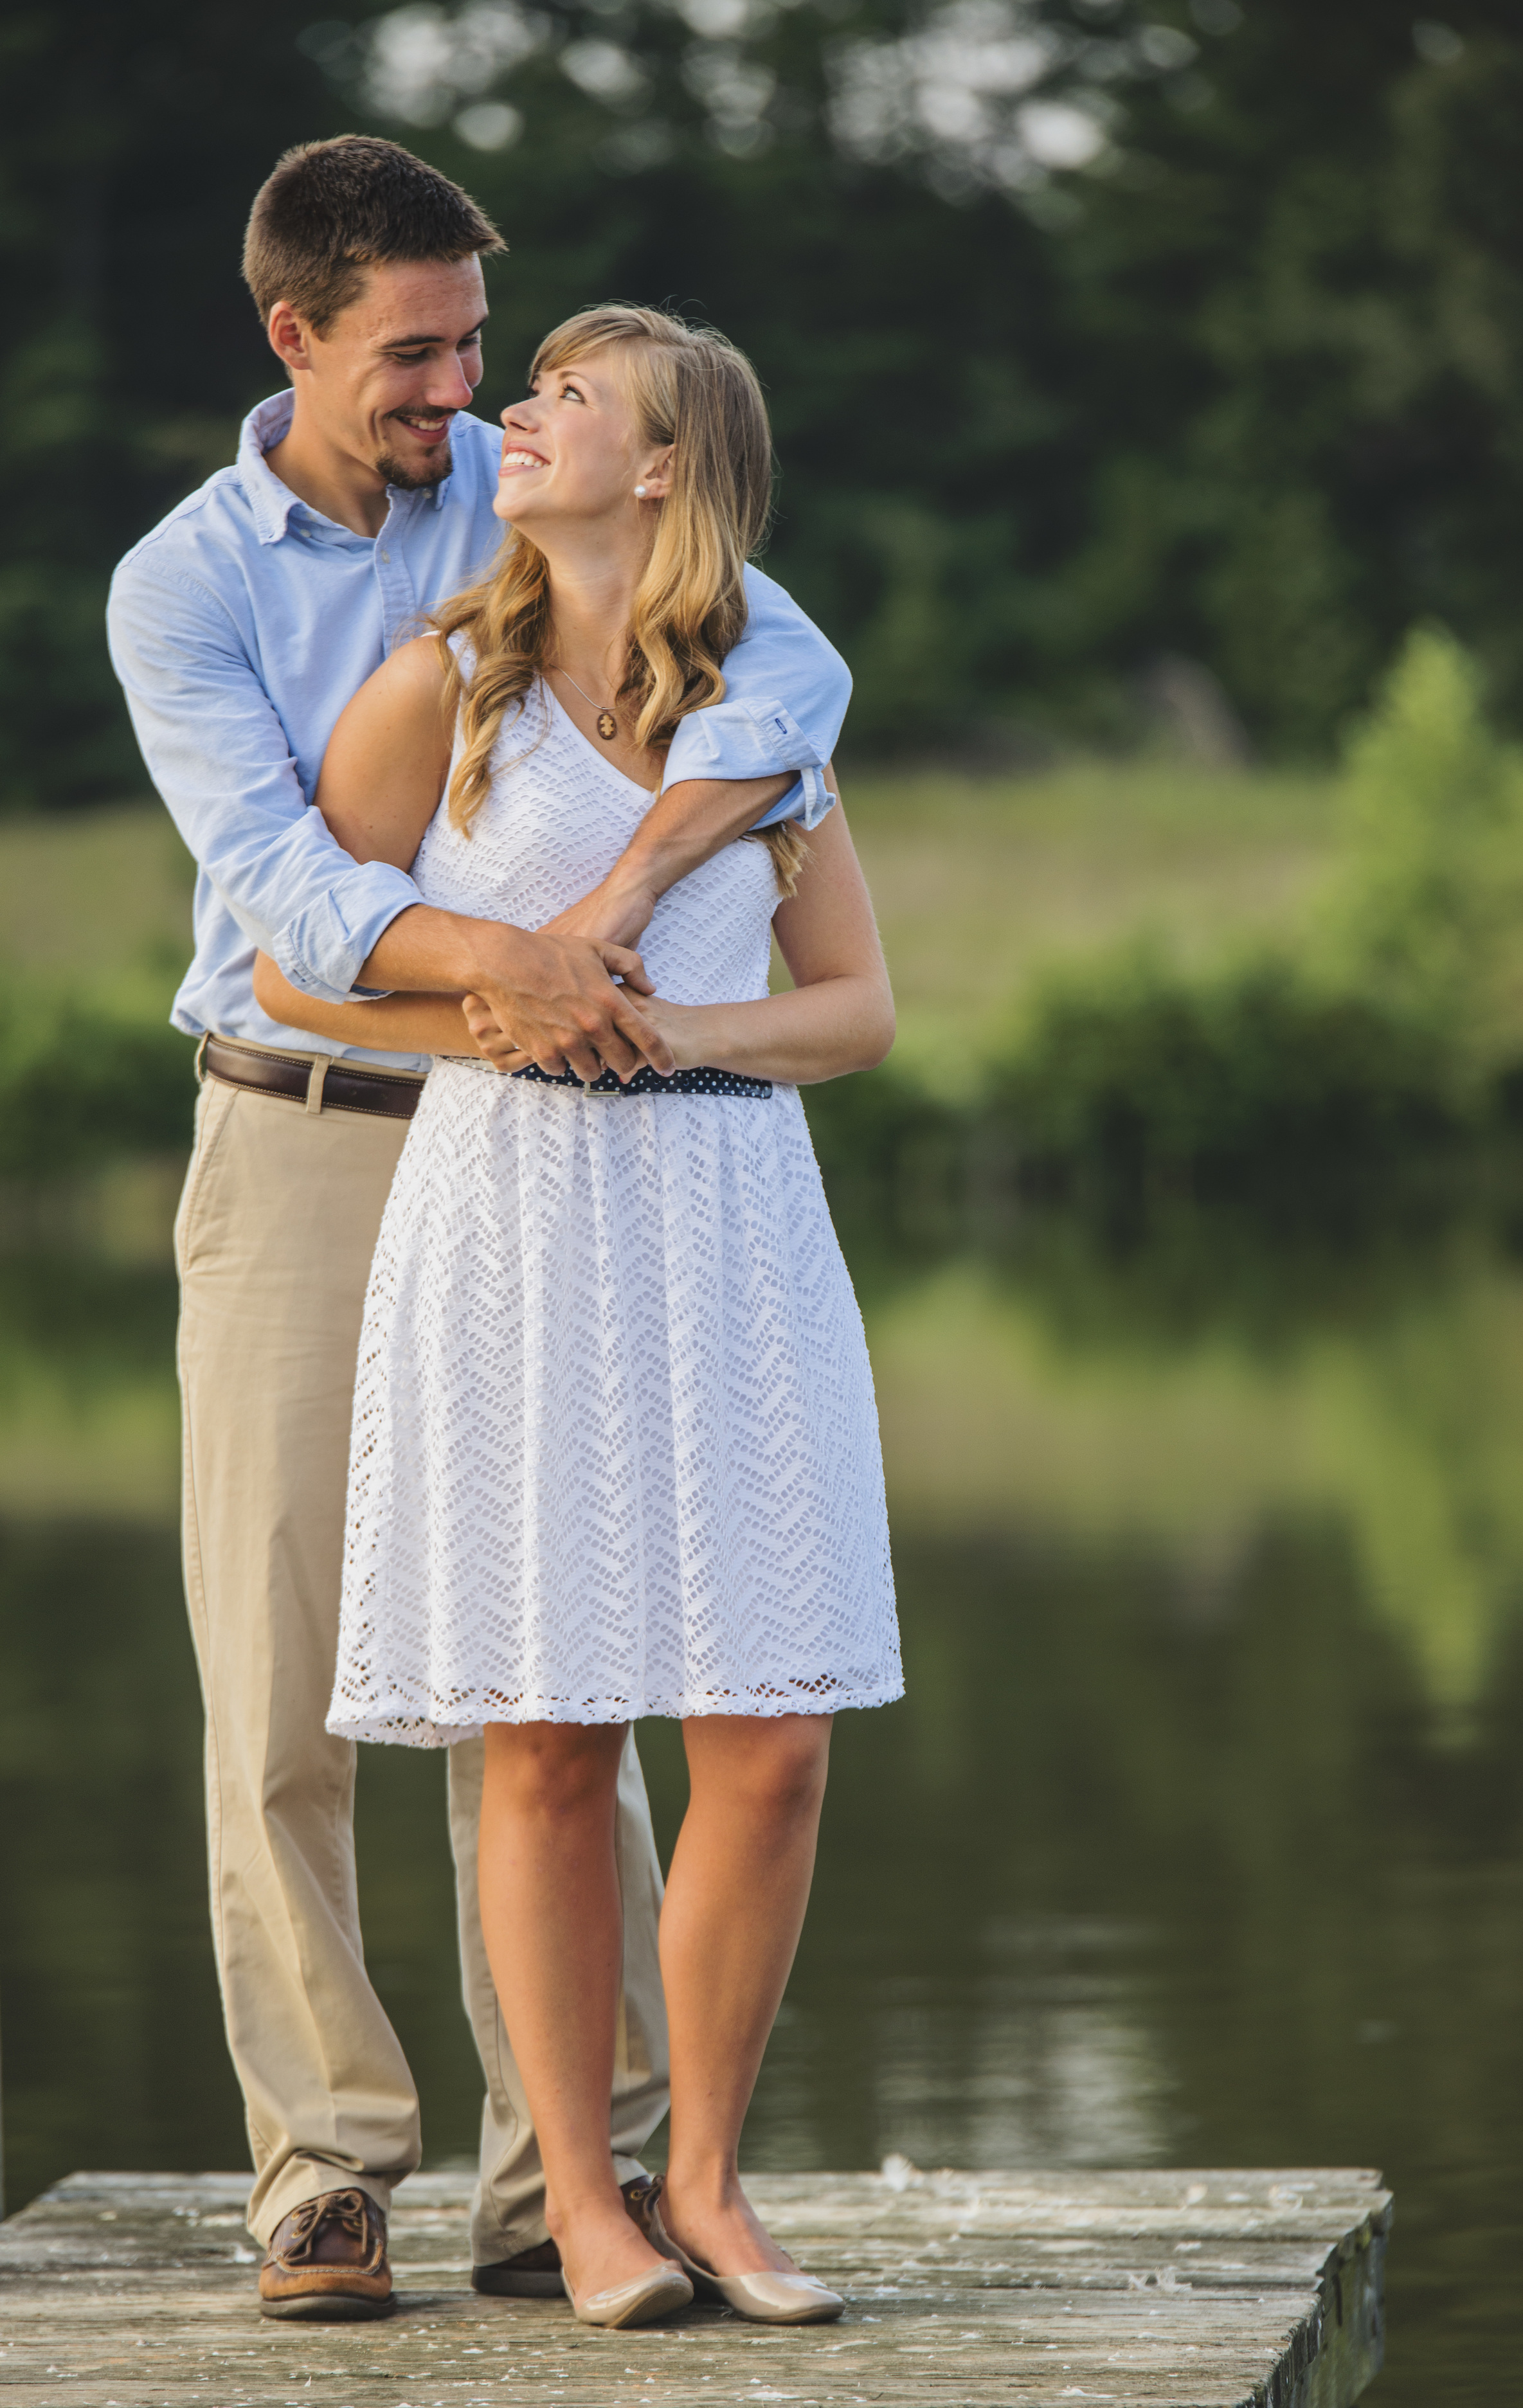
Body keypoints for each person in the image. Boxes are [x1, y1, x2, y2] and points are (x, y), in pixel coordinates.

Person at [105, 138, 852, 2322]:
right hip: (310, 1124)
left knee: (568, 1656)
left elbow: (776, 663)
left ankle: (579, 2177)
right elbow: (287, 900)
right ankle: (327, 2168)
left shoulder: (506, 490)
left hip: (566, 1156)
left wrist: (611, 919)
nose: (459, 392)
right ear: (297, 339)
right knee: (288, 1678)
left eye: (474, 352)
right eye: (417, 354)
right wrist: (499, 966)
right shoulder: (186, 583)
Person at [257, 302, 901, 2332]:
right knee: (541, 1731)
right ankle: (584, 2212)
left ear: (663, 467)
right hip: (512, 1206)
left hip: (729, 1214)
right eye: (516, 386)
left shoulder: (769, 711)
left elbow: (857, 1008)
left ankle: (702, 2175)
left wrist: (673, 1025)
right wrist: (506, 1012)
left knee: (770, 1734)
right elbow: (290, 969)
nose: (512, 417)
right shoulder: (439, 685)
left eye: (563, 397)